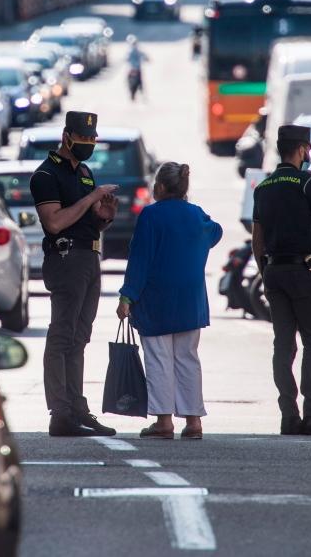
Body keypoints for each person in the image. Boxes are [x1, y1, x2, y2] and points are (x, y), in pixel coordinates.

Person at [251, 125, 311, 436]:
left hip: (274, 272)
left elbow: (257, 240)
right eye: (308, 150)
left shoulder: (263, 187)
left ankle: (288, 415)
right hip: (304, 273)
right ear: (302, 150)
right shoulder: (307, 182)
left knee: (283, 345)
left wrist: (265, 271)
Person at [117, 162, 222, 440]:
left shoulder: (150, 215)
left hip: (157, 300)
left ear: (161, 187)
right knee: (188, 359)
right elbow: (216, 231)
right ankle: (194, 421)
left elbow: (140, 260)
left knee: (160, 360)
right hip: (190, 300)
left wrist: (127, 296)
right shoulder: (197, 215)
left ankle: (164, 422)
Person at [30, 111, 119, 437]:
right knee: (62, 336)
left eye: (93, 139)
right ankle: (60, 414)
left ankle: (78, 410)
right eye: (84, 139)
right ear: (66, 137)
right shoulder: (46, 174)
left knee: (79, 339)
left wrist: (104, 218)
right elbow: (54, 222)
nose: (90, 144)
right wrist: (91, 198)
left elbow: (86, 218)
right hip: (65, 258)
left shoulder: (84, 173)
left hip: (89, 257)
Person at [126, 35, 148, 101]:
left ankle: (132, 94)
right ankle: (142, 94)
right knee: (140, 82)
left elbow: (127, 58)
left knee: (130, 82)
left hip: (132, 68)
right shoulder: (139, 50)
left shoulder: (130, 50)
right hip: (137, 68)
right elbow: (145, 56)